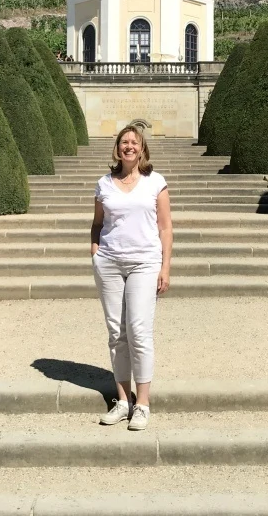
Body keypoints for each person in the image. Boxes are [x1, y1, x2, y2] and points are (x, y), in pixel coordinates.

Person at [90, 124, 172, 431]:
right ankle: (123, 401)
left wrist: (165, 267)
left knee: (139, 330)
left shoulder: (156, 182)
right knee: (116, 332)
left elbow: (165, 227)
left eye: (134, 142)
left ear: (142, 148)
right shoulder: (104, 183)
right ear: (117, 148)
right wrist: (96, 252)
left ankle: (143, 404)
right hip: (109, 263)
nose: (128, 146)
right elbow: (97, 223)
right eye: (124, 142)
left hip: (144, 263)